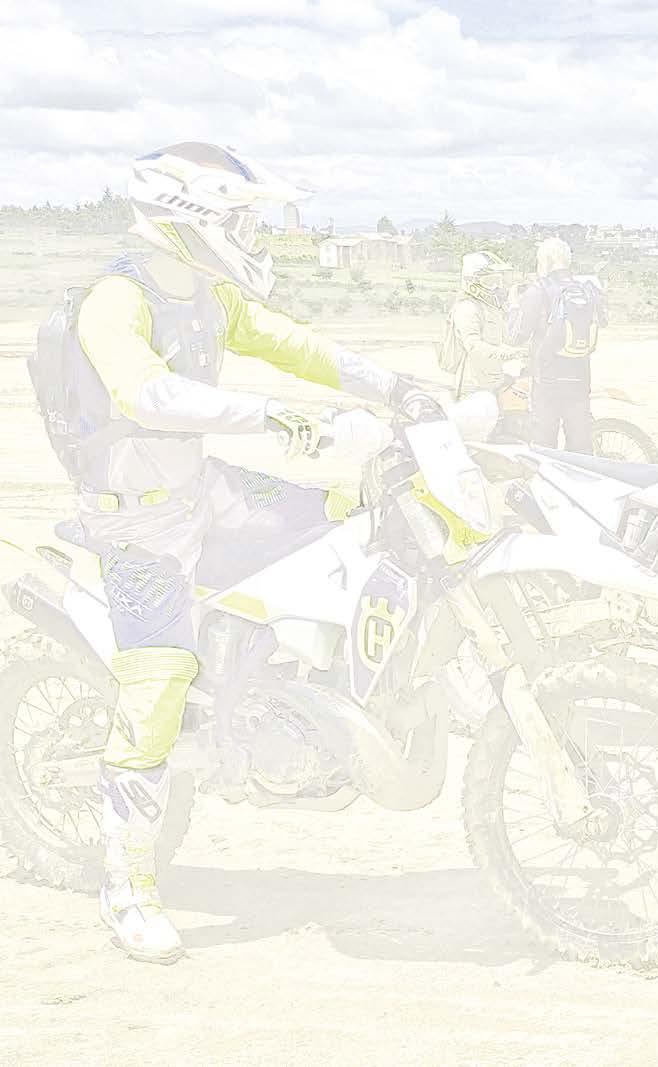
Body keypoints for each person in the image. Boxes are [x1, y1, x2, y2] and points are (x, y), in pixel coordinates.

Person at [53, 142, 424, 964]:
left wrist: (392, 387)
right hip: (136, 523)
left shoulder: (208, 294)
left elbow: (293, 343)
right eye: (241, 222)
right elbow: (145, 391)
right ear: (191, 220)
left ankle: (277, 690)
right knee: (156, 685)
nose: (251, 236)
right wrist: (271, 415)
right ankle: (127, 885)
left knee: (346, 518)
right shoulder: (116, 299)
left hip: (202, 490)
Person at [508, 237, 607, 453]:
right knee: (579, 440)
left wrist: (514, 307)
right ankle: (581, 472)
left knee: (545, 444)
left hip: (547, 378)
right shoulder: (586, 290)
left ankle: (550, 473)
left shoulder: (538, 290)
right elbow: (603, 321)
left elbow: (516, 337)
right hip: (580, 375)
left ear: (545, 261)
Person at [442, 249, 523, 421]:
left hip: (493, 381)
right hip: (472, 386)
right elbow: (473, 345)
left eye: (498, 279)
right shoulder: (467, 308)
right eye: (490, 280)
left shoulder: (492, 308)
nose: (497, 286)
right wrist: (506, 353)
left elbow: (507, 339)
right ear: (472, 280)